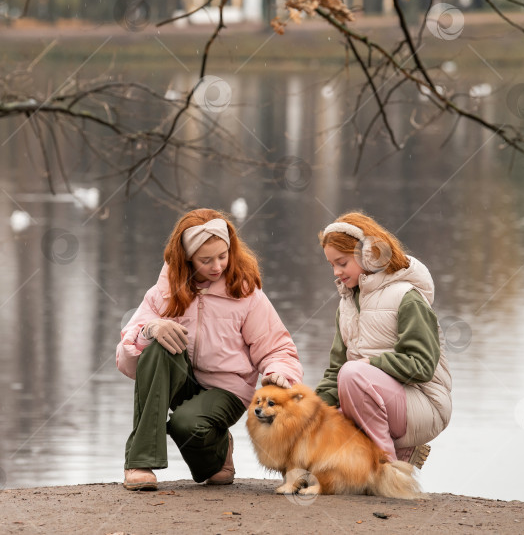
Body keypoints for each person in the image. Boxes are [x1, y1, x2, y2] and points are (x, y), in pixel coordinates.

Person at [117, 208, 303, 491]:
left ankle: (218, 448)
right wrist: (149, 331)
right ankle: (139, 461)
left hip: (227, 390)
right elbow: (128, 362)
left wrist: (278, 372)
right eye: (206, 260)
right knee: (156, 345)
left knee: (188, 429)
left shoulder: (246, 293)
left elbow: (277, 347)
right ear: (187, 258)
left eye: (223, 256)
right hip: (182, 383)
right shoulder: (162, 293)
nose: (217, 266)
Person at [314, 211, 452, 468]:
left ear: (368, 254)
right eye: (331, 265)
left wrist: (370, 364)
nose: (336, 272)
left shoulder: (406, 297)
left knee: (353, 373)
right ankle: (403, 454)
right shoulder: (346, 305)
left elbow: (422, 365)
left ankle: (386, 468)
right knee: (324, 435)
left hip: (424, 405)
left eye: (342, 263)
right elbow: (335, 370)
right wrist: (310, 412)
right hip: (370, 397)